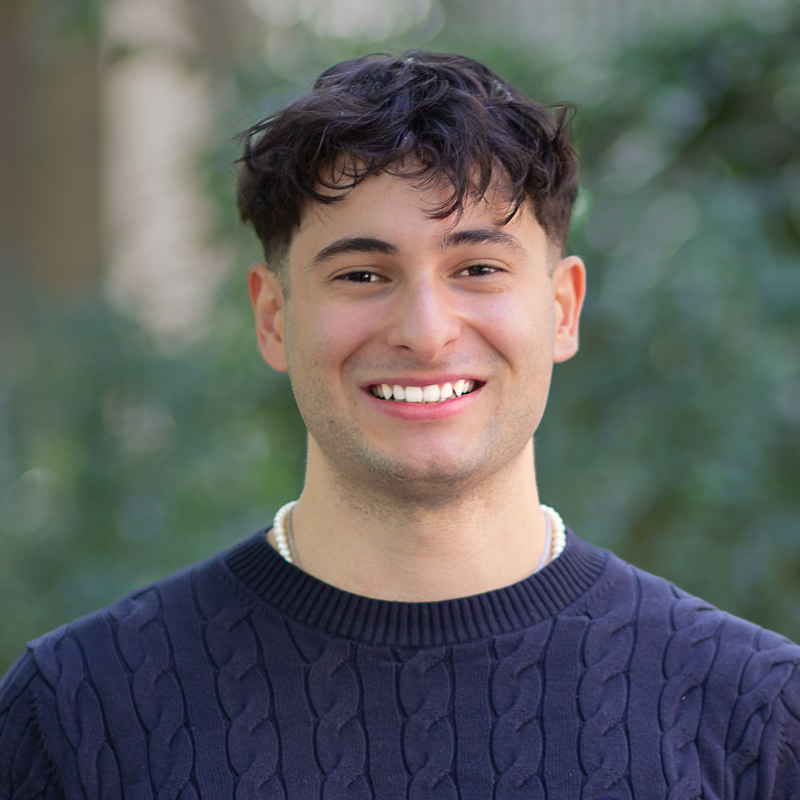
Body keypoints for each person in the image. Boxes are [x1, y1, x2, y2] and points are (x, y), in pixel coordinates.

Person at [1, 51, 798, 800]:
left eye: (477, 268)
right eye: (362, 274)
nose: (425, 330)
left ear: (562, 309)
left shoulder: (755, 715)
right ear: (274, 319)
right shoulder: (80, 710)